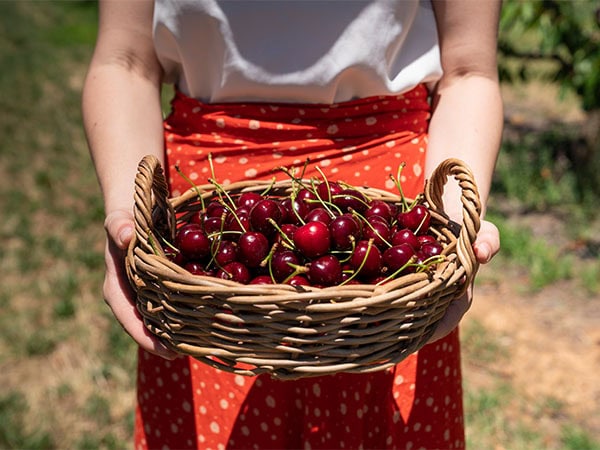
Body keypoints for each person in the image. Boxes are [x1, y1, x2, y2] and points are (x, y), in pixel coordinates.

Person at [82, 0, 502, 448]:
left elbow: (468, 71)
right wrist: (130, 214)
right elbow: (125, 61)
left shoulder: (397, 256)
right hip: (204, 262)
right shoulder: (194, 268)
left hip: (387, 260)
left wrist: (452, 223)